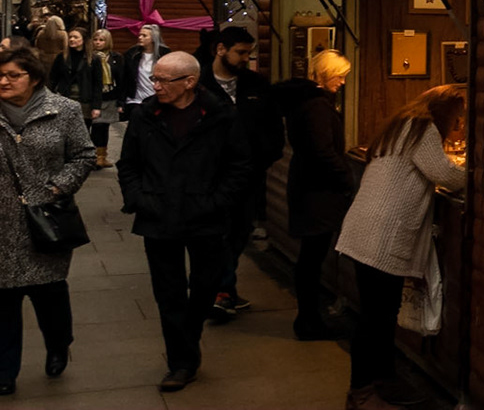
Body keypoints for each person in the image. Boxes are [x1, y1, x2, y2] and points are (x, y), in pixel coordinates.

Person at [118, 51, 250, 392]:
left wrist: (217, 201)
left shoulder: (220, 115)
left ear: (189, 82)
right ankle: (181, 362)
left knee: (205, 287)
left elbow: (238, 165)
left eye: (163, 80)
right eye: (155, 78)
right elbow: (128, 164)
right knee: (168, 293)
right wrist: (139, 198)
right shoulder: (145, 115)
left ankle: (187, 340)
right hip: (158, 216)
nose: (155, 85)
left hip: (205, 216)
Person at [335, 85, 467, 409]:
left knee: (379, 315)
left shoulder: (402, 125)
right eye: (457, 118)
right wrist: (477, 175)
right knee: (375, 319)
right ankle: (361, 392)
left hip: (365, 229)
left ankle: (383, 380)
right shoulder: (423, 129)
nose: (459, 125)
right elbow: (445, 175)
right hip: (381, 235)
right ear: (444, 110)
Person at [0, 45, 92, 394]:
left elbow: (83, 155)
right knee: (3, 301)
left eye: (13, 75)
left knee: (49, 295)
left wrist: (57, 188)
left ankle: (58, 344)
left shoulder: (64, 110)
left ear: (35, 78)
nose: (4, 81)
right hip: (2, 223)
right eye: (0, 76)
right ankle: (4, 370)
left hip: (45, 219)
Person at [201, 28, 282, 323]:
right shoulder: (199, 84)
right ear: (220, 49)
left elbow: (273, 129)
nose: (246, 58)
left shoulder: (256, 84)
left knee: (238, 234)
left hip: (249, 177)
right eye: (241, 52)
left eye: (249, 53)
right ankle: (220, 291)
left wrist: (262, 160)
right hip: (211, 179)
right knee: (217, 235)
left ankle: (224, 289)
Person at [275, 49, 354, 339]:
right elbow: (323, 150)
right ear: (326, 73)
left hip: (306, 185)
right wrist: (345, 176)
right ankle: (308, 321)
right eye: (340, 76)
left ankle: (308, 319)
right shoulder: (318, 106)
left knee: (310, 258)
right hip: (317, 190)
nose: (342, 82)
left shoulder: (303, 101)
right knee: (312, 258)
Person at [74, 30, 124, 169]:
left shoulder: (116, 57)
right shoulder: (88, 56)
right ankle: (86, 156)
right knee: (86, 127)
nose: (98, 43)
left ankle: (100, 157)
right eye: (95, 40)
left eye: (101, 40)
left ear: (108, 41)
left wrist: (121, 100)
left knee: (102, 128)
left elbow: (121, 79)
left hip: (109, 95)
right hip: (90, 97)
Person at [120, 24, 163, 117]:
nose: (140, 38)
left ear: (153, 38)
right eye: (139, 35)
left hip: (156, 98)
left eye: (144, 36)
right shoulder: (132, 54)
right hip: (135, 100)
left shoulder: (164, 54)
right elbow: (125, 78)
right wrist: (121, 101)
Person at [48, 30, 86, 101]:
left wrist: (96, 105)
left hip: (84, 97)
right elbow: (53, 78)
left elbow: (97, 83)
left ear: (83, 40)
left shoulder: (92, 59)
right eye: (70, 37)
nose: (71, 39)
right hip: (64, 95)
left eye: (75, 37)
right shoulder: (61, 56)